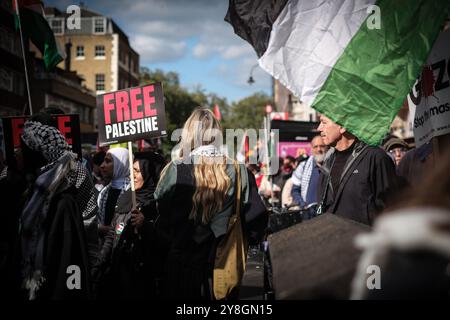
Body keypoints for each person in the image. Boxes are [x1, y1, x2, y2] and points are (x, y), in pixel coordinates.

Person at [154, 108, 267, 300]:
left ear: (188, 134)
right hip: (223, 268)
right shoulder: (239, 170)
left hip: (181, 267)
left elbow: (162, 214)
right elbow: (257, 217)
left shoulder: (174, 169)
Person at [351, 150, 450, 299]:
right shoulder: (400, 255)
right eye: (393, 150)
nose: (397, 154)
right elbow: (372, 285)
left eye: (400, 150)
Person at [18, 115, 97, 299]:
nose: (17, 153)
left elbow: (70, 264)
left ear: (38, 155)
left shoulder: (63, 203)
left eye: (24, 149)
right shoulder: (34, 195)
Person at [94, 152, 165, 299]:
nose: (132, 175)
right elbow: (113, 234)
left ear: (150, 173)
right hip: (118, 275)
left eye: (137, 171)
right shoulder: (126, 197)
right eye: (131, 170)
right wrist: (99, 263)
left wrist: (145, 226)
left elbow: (166, 243)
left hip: (144, 281)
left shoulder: (161, 205)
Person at [316, 114, 398, 225]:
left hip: (365, 239)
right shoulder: (327, 162)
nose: (319, 128)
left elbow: (391, 208)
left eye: (324, 122)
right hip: (332, 238)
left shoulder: (375, 158)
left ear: (343, 127)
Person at [291, 135, 328, 218]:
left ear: (327, 148)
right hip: (308, 216)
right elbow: (295, 190)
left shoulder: (333, 166)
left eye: (322, 146)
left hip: (327, 216)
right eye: (316, 147)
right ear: (311, 149)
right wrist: (303, 205)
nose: (319, 149)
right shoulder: (303, 166)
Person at [97, 147, 130, 239]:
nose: (102, 165)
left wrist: (105, 230)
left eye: (108, 161)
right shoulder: (104, 192)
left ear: (121, 164)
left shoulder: (131, 191)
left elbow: (126, 227)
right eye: (104, 161)